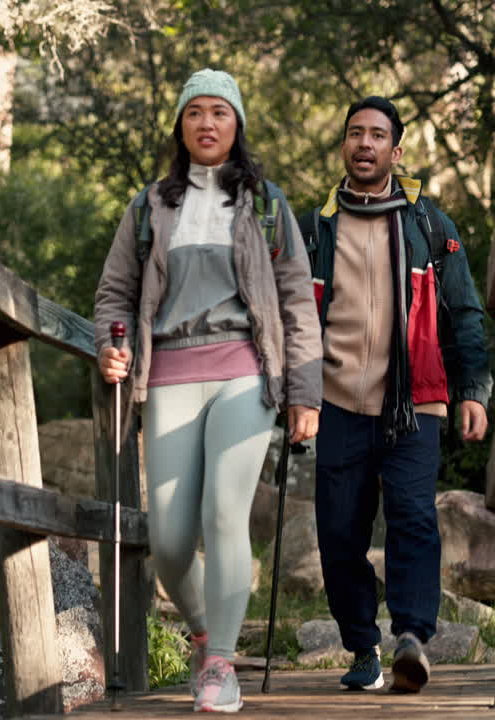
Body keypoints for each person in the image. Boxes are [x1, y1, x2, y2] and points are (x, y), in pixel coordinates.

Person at [94, 68, 322, 713]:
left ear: (237, 124)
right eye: (195, 112)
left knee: (225, 513)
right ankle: (202, 633)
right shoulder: (149, 207)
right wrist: (110, 347)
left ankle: (221, 663)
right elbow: (115, 293)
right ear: (180, 126)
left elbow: (297, 303)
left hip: (245, 373)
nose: (207, 123)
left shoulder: (266, 204)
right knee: (167, 539)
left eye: (219, 112)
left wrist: (306, 393)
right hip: (168, 373)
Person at [299, 95, 492, 694]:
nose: (364, 143)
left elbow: (464, 312)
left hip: (416, 402)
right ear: (344, 146)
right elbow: (292, 317)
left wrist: (474, 391)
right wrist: (293, 393)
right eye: (355, 133)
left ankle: (411, 637)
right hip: (336, 401)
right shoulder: (317, 227)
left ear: (395, 150)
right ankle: (362, 644)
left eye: (376, 135)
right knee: (337, 532)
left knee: (412, 518)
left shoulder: (428, 224)